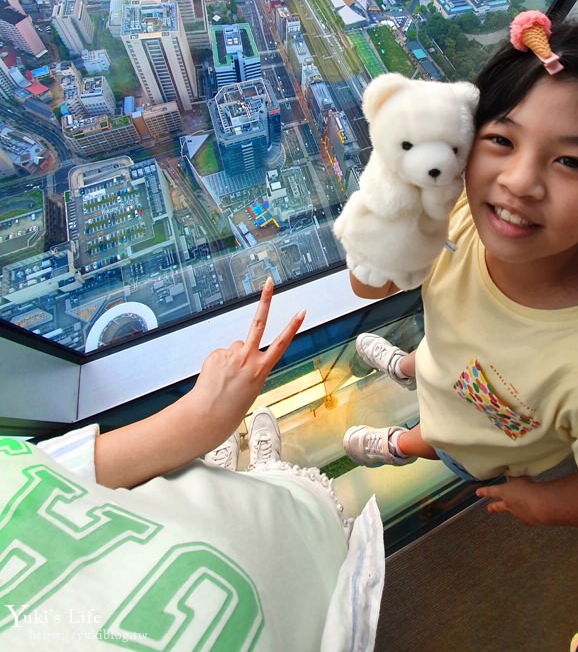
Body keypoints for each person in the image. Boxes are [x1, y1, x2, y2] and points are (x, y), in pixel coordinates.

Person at [342, 13, 578, 529]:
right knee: (436, 357)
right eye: (502, 140)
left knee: (442, 442)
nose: (520, 182)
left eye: (571, 161)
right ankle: (406, 367)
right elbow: (370, 284)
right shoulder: (458, 216)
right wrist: (394, 194)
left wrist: (543, 504)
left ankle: (398, 445)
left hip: (477, 441)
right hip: (450, 361)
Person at [0, 278, 384, 651]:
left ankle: (241, 477)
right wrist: (202, 419)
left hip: (248, 553)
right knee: (269, 513)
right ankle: (256, 476)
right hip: (305, 596)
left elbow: (81, 474)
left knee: (229, 495)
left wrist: (202, 421)